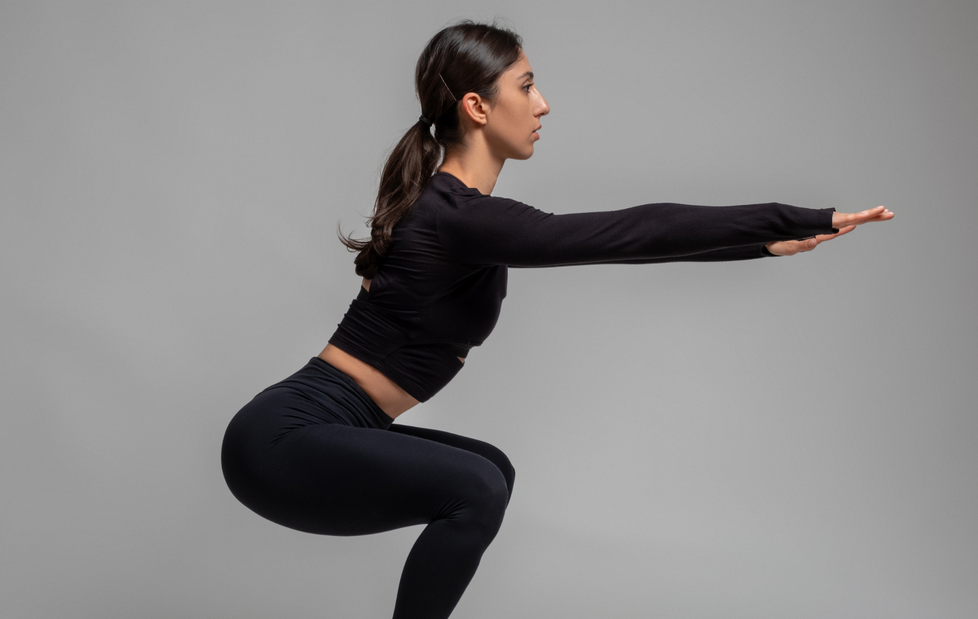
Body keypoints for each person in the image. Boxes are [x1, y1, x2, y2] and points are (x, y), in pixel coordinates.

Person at [221, 21, 893, 619]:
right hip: (282, 441)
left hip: (311, 430)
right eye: (527, 84)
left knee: (491, 470)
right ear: (478, 106)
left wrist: (760, 243)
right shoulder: (458, 217)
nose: (543, 104)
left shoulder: (454, 213)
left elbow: (635, 241)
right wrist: (791, 218)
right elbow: (634, 232)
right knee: (476, 486)